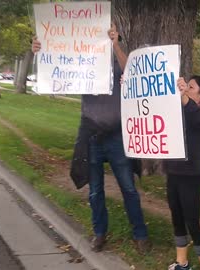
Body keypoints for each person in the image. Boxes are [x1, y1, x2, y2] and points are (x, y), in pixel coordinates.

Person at [32, 24, 151, 254]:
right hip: (91, 137)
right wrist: (40, 50)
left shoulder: (118, 64)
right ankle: (99, 233)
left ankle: (140, 234)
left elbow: (132, 70)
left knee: (128, 188)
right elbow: (52, 68)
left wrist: (116, 45)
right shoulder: (79, 65)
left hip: (117, 136)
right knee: (95, 190)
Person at [164, 76, 200, 270]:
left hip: (190, 177)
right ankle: (182, 263)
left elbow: (197, 116)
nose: (186, 89)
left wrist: (183, 96)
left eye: (191, 87)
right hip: (173, 172)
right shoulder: (177, 110)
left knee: (192, 223)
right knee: (176, 218)